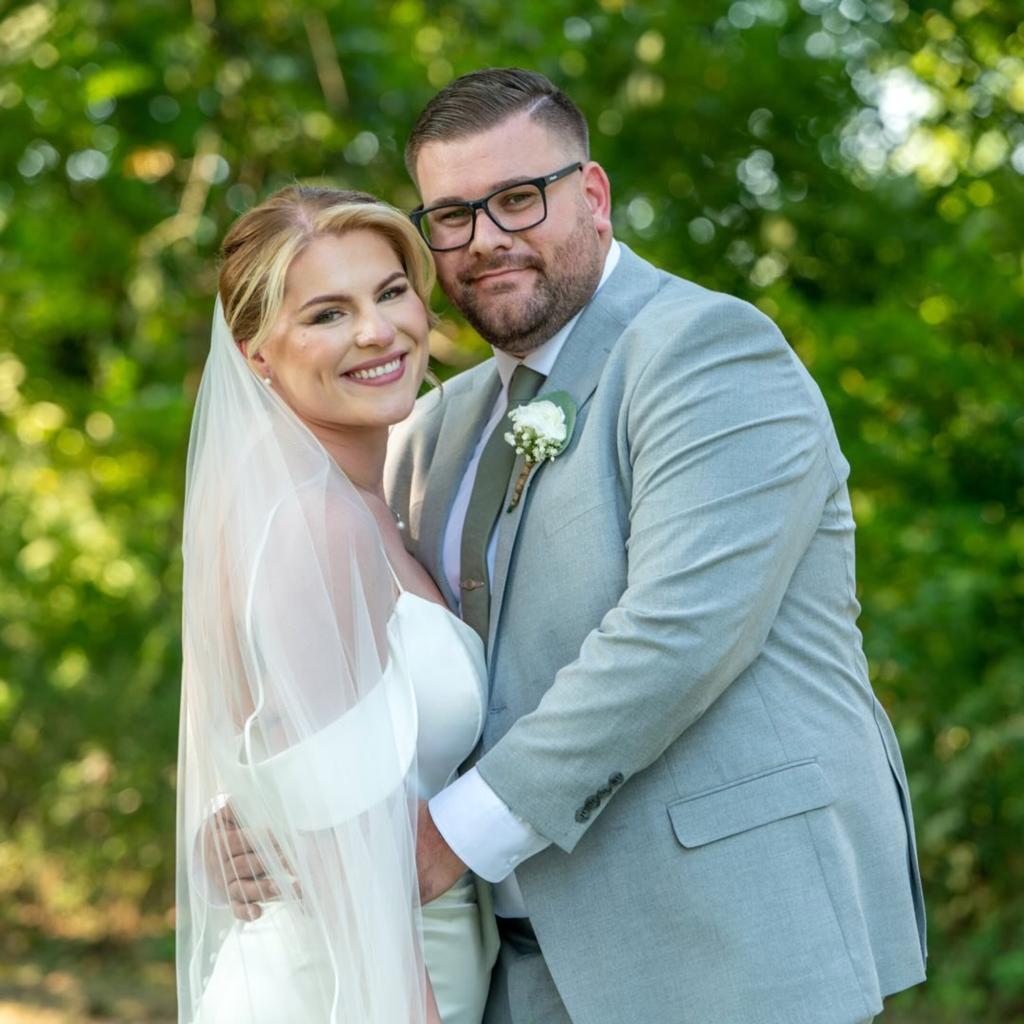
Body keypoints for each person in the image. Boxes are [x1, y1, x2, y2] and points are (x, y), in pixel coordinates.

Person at [380, 68, 927, 1024]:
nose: (487, 239)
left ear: (591, 194)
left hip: (725, 947)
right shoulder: (434, 429)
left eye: (518, 198)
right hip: (505, 968)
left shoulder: (707, 349)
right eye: (452, 216)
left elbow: (678, 634)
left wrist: (446, 838)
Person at [177, 186, 498, 1024]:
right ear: (256, 354)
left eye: (391, 292)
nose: (375, 331)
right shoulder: (312, 524)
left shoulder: (355, 501)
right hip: (355, 988)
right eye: (326, 314)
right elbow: (346, 852)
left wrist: (241, 815)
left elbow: (280, 747)